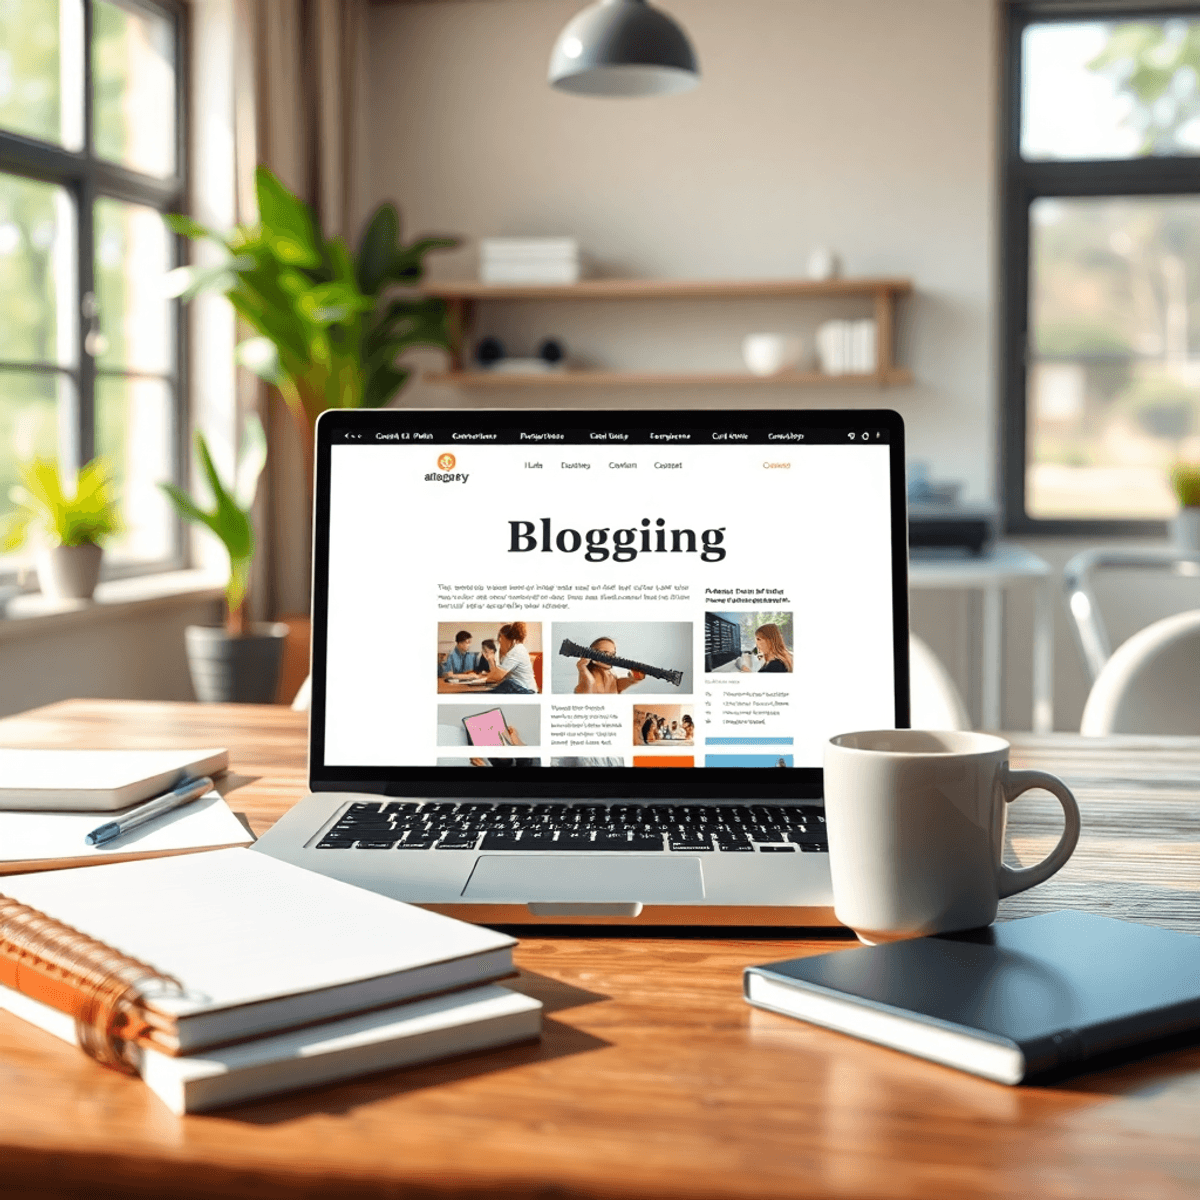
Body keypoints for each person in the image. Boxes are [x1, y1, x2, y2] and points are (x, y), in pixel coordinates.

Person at [574, 636, 645, 695]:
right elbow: (584, 693)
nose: (611, 658)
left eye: (613, 654)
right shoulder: (587, 680)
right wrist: (582, 667)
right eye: (604, 653)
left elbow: (619, 686)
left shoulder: (611, 677)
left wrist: (633, 678)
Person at [482, 622, 538, 693]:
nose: (500, 644)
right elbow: (494, 675)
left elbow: (496, 677)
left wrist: (491, 661)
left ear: (506, 639)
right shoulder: (514, 650)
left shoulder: (516, 651)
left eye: (501, 640)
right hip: (519, 688)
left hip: (525, 690)